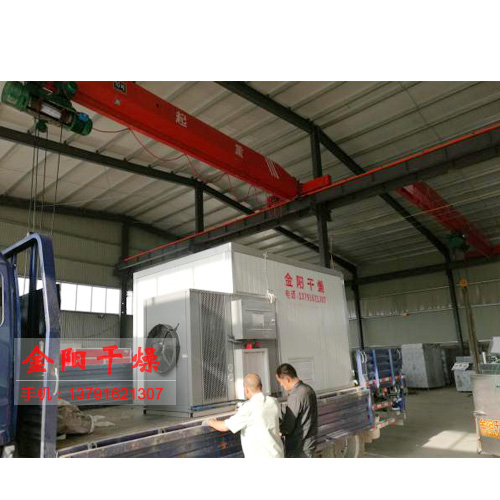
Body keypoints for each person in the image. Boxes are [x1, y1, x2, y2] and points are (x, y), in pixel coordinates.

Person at [203, 373, 284, 458]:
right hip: (277, 455)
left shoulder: (248, 408)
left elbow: (224, 427)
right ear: (261, 387)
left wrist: (210, 421)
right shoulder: (274, 401)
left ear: (246, 390)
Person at [276, 363, 318, 458]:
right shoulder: (308, 389)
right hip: (310, 443)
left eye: (280, 382)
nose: (281, 385)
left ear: (287, 379)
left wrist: (279, 431)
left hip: (298, 447)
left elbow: (289, 426)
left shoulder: (295, 395)